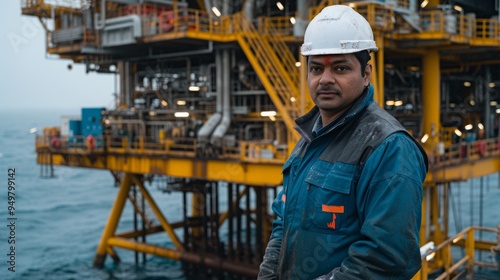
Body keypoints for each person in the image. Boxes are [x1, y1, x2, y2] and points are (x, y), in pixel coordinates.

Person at [258, 5, 428, 280]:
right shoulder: (309, 138)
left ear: (366, 74)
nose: (325, 79)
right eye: (315, 69)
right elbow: (283, 222)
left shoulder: (389, 147)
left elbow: (387, 259)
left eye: (340, 68)